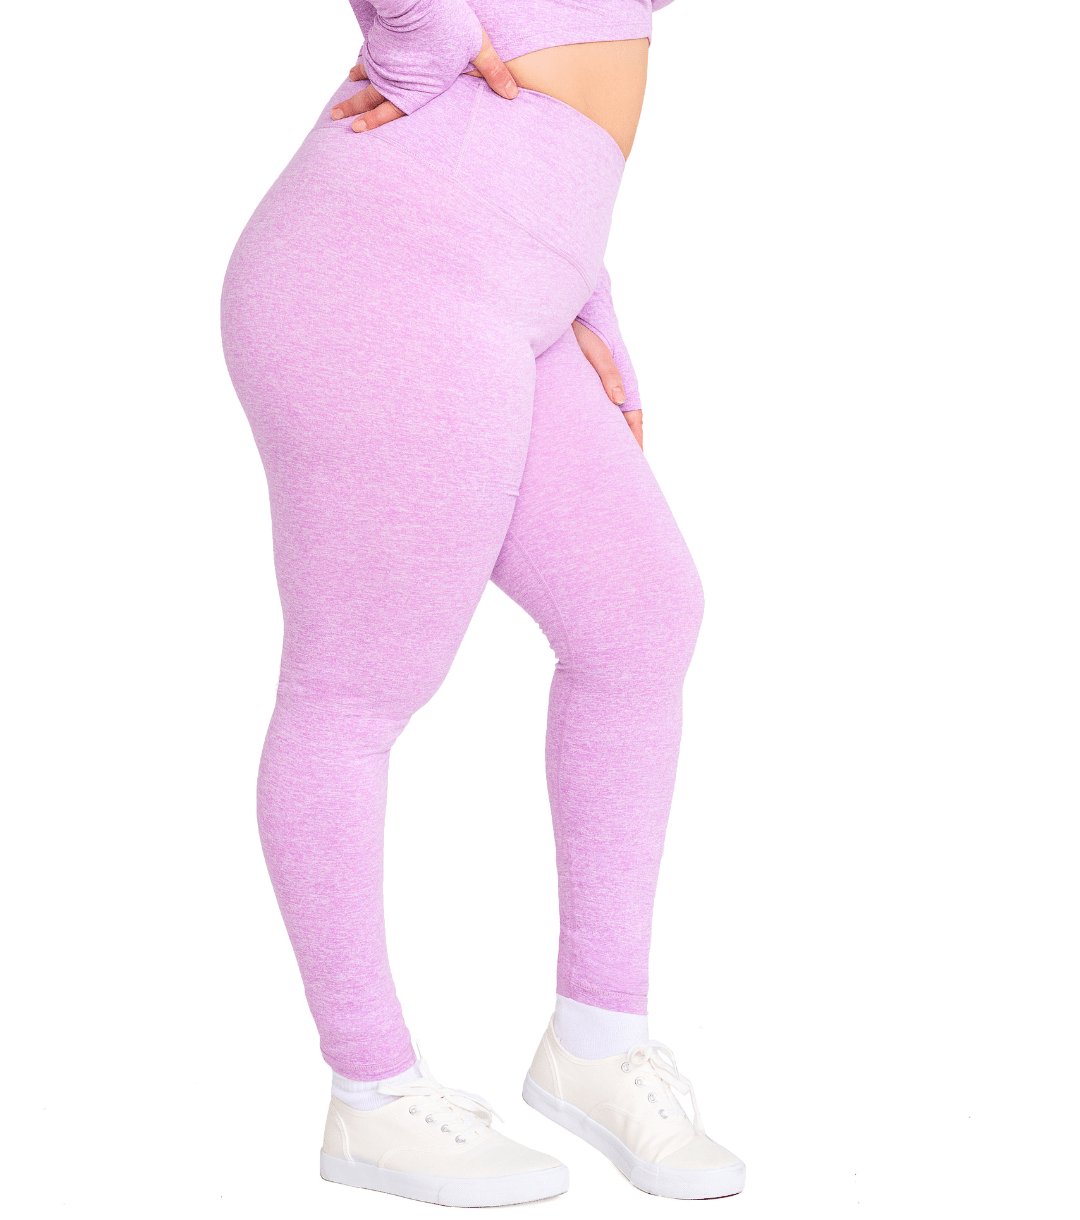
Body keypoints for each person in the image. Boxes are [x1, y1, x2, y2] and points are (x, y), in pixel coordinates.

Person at [221, 0, 744, 1205]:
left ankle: (597, 1041)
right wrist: (413, 24)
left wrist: (579, 279)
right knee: (354, 692)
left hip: (511, 278)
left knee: (640, 617)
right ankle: (372, 1094)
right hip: (384, 271)